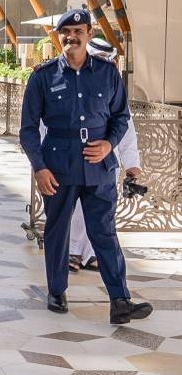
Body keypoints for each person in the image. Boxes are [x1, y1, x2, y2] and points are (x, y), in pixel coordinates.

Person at [19, 9, 153, 325]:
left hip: (98, 167)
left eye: (79, 31)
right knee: (57, 231)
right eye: (66, 31)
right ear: (58, 36)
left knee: (105, 233)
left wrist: (109, 144)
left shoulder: (107, 74)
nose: (72, 36)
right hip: (58, 165)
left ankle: (120, 300)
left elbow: (121, 117)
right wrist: (39, 167)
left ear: (89, 35)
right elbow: (28, 128)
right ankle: (56, 291)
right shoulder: (43, 76)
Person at [68, 37, 143, 273]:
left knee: (101, 213)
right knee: (76, 210)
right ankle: (71, 251)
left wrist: (132, 165)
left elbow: (125, 128)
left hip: (105, 162)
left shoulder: (111, 85)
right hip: (71, 160)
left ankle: (91, 254)